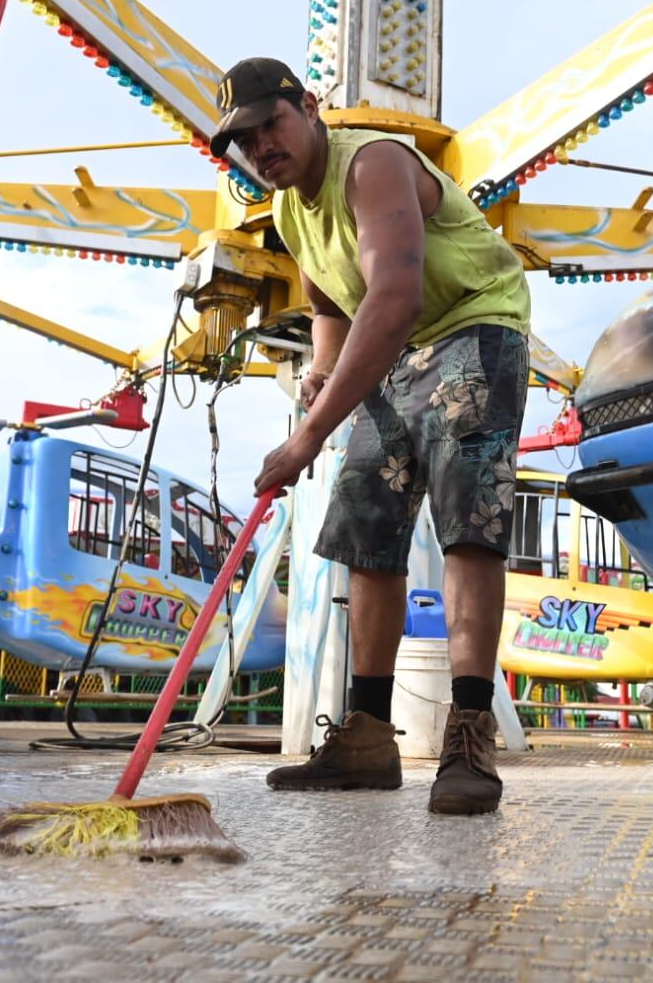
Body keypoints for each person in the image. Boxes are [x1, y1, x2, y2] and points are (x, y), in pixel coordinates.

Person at [210, 58, 531, 815]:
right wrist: (323, 366)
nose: (260, 147)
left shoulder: (374, 165)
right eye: (244, 140)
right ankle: (365, 738)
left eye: (271, 125)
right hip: (396, 349)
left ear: (309, 107)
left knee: (466, 528)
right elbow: (331, 300)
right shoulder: (290, 208)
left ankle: (467, 734)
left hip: (470, 326)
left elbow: (391, 296)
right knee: (366, 533)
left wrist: (306, 437)